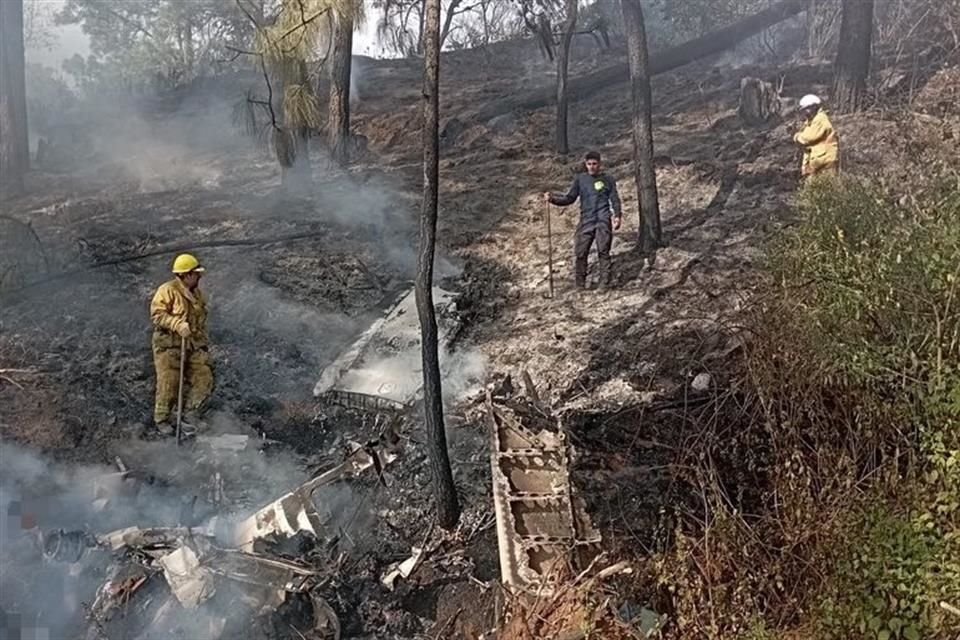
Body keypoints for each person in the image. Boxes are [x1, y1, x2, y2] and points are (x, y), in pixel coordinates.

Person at [150, 253, 212, 435]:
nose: (199, 277)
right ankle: (162, 420)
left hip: (191, 345)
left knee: (204, 377)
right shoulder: (167, 291)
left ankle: (189, 415)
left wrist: (201, 344)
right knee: (169, 383)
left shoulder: (197, 295)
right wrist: (176, 324)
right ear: (186, 275)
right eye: (195, 274)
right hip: (169, 346)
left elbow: (199, 323)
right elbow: (157, 315)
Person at [543, 150, 623, 289]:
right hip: (586, 220)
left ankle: (604, 284)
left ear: (600, 164)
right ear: (585, 164)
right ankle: (580, 284)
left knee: (603, 251)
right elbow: (570, 198)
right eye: (589, 164)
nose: (592, 166)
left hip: (603, 219)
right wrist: (553, 199)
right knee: (581, 252)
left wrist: (617, 216)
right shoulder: (580, 179)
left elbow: (614, 198)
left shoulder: (608, 179)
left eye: (594, 164)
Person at [793, 94, 840, 180]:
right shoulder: (811, 121)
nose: (805, 112)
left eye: (807, 109)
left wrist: (796, 136)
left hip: (825, 163)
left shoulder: (820, 119)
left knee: (826, 187)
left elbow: (808, 138)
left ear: (814, 107)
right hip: (816, 163)